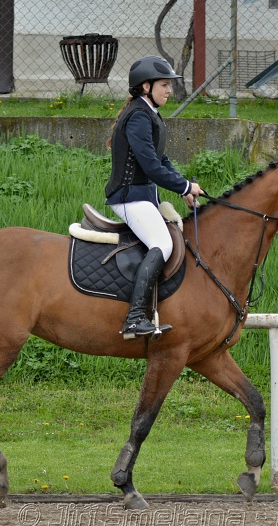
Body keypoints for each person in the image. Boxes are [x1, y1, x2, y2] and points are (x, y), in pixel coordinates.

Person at [105, 55, 202, 340]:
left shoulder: (149, 113)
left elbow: (162, 159)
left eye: (169, 85)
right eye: (164, 85)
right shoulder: (138, 116)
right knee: (162, 243)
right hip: (129, 198)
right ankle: (134, 319)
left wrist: (185, 186)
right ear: (145, 87)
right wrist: (183, 187)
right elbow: (150, 166)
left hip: (143, 198)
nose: (169, 90)